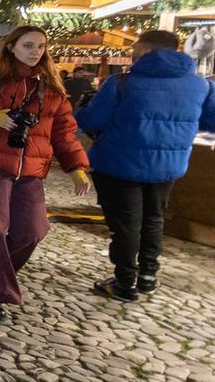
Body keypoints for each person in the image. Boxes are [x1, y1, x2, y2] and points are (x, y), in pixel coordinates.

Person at [0, 26, 91, 322]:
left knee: (32, 230)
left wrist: (76, 167)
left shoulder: (51, 87)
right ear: (12, 47)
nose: (35, 51)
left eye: (40, 46)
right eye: (27, 45)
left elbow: (64, 132)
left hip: (32, 170)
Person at [76, 30, 215, 301]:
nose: (132, 54)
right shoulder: (201, 86)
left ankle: (125, 283)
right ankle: (148, 277)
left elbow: (93, 121)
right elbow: (210, 122)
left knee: (126, 224)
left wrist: (79, 110)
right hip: (167, 167)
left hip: (118, 165)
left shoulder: (121, 83)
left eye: (135, 50)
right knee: (153, 220)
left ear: (148, 52)